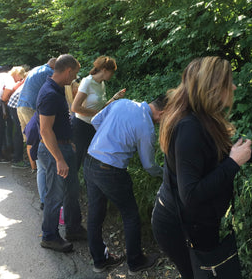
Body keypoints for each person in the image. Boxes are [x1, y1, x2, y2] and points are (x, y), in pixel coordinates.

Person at [151, 56, 252, 279]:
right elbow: (190, 194)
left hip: (197, 222)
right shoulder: (189, 128)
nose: (234, 87)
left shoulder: (204, 118)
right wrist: (233, 163)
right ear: (214, 88)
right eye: (229, 82)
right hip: (179, 226)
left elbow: (221, 152)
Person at [84, 95, 166, 275]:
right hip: (111, 170)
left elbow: (95, 120)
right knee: (130, 215)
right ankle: (135, 263)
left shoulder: (123, 103)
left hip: (90, 160)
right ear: (162, 113)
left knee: (95, 213)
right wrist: (165, 174)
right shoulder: (146, 127)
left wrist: (108, 139)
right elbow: (149, 165)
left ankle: (100, 261)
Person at [36, 54, 86, 253]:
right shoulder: (49, 93)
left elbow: (61, 122)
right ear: (67, 71)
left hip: (64, 146)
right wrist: (59, 159)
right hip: (53, 151)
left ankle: (73, 228)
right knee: (54, 196)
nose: (74, 78)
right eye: (74, 74)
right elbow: (45, 130)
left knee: (72, 192)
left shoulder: (57, 90)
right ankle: (49, 236)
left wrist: (70, 143)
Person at [71, 56, 126, 169]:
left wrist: (114, 98)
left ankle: (87, 185)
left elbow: (102, 108)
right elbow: (75, 107)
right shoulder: (87, 82)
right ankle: (68, 186)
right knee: (76, 160)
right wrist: (97, 113)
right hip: (81, 126)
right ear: (105, 70)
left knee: (89, 161)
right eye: (112, 72)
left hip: (94, 126)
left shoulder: (101, 84)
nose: (112, 75)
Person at [17, 58, 56, 139]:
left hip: (21, 105)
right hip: (31, 107)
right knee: (36, 139)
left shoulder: (36, 69)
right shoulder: (49, 72)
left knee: (29, 139)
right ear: (54, 67)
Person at [24, 112, 46, 209]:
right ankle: (49, 202)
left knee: (41, 170)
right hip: (39, 135)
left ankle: (44, 201)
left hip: (33, 131)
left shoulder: (42, 103)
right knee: (47, 170)